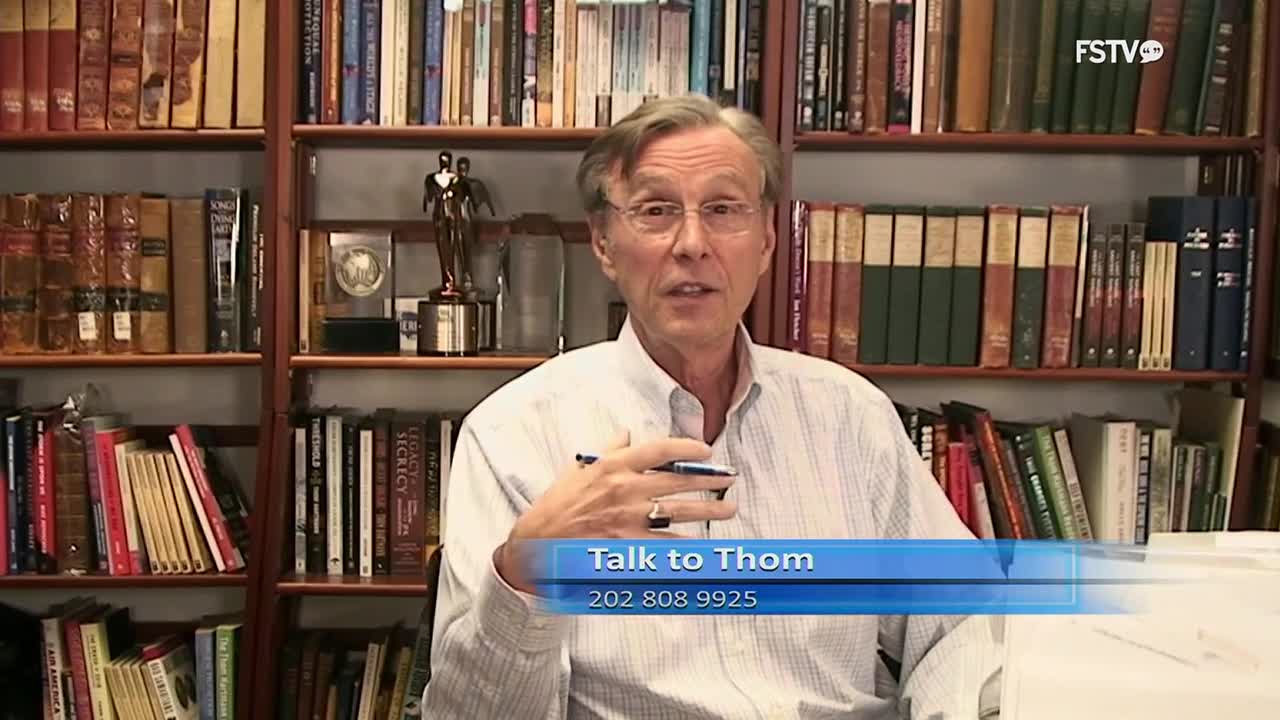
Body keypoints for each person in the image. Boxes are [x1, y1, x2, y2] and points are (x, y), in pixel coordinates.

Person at [421, 95, 973, 719]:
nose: (692, 243)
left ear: (766, 239)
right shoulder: (512, 434)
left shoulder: (851, 417)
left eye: (723, 209)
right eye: (656, 211)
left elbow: (959, 630)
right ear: (602, 243)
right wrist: (524, 573)